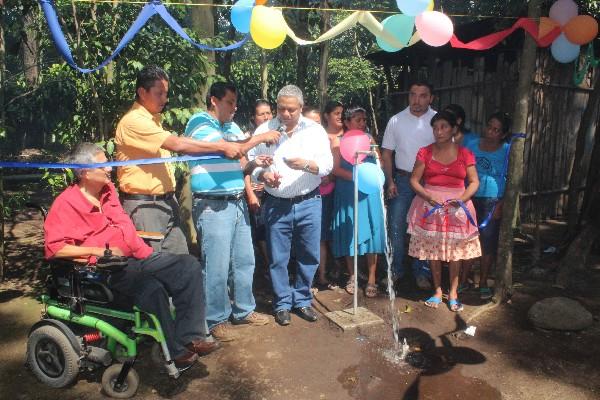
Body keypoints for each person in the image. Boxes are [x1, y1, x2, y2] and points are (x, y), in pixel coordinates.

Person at [44, 143, 219, 371]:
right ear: (85, 172)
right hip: (103, 269)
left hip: (137, 257)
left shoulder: (108, 192)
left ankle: (190, 336)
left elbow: (124, 228)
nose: (110, 169)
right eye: (103, 165)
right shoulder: (66, 203)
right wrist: (98, 251)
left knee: (189, 266)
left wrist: (140, 248)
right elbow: (55, 249)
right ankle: (175, 351)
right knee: (152, 289)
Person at [185, 83, 280, 342]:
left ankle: (244, 309)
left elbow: (243, 162)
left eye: (236, 102)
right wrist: (260, 137)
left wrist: (264, 173)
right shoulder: (199, 122)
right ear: (214, 101)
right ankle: (216, 318)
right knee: (215, 265)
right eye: (230, 102)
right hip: (212, 205)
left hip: (237, 201)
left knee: (244, 259)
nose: (234, 107)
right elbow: (233, 149)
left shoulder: (233, 128)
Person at [115, 65, 245, 255]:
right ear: (142, 92)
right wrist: (222, 146)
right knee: (151, 265)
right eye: (159, 94)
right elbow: (177, 144)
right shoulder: (134, 121)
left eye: (166, 93)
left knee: (182, 264)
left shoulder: (154, 120)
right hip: (145, 207)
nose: (165, 100)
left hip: (167, 201)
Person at [249, 85, 333, 326]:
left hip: (309, 201)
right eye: (281, 109)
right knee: (278, 257)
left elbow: (326, 166)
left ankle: (303, 299)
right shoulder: (265, 130)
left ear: (301, 108)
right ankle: (282, 303)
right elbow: (252, 164)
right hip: (276, 203)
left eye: (291, 110)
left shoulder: (315, 131)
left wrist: (306, 164)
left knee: (309, 254)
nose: (285, 114)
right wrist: (263, 175)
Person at [406, 111, 481, 312]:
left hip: (458, 208)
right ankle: (438, 291)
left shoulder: (465, 154)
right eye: (435, 127)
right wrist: (428, 196)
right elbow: (414, 180)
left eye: (444, 127)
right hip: (431, 206)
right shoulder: (425, 152)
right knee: (434, 251)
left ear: (454, 129)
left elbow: (474, 182)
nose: (438, 131)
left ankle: (454, 293)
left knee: (455, 253)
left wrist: (462, 200)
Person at [381, 81, 437, 289]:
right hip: (402, 180)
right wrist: (390, 181)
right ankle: (395, 269)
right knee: (396, 225)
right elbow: (387, 153)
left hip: (429, 183)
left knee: (424, 228)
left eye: (423, 95)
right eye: (413, 95)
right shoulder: (396, 120)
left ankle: (421, 272)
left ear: (430, 98)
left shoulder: (437, 120)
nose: (417, 100)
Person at [331, 106, 385, 297]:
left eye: (364, 120)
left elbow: (379, 165)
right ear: (346, 122)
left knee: (371, 232)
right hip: (347, 192)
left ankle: (371, 278)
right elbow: (335, 169)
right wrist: (356, 176)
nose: (362, 123)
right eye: (357, 120)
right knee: (349, 232)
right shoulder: (338, 142)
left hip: (368, 192)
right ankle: (352, 275)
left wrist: (374, 156)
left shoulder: (369, 140)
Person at [463, 112, 512, 300]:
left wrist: (501, 203)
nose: (490, 131)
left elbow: (511, 179)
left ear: (503, 134)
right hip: (471, 198)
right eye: (489, 126)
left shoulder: (507, 150)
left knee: (488, 243)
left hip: (492, 201)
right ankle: (463, 280)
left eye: (496, 129)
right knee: (468, 240)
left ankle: (483, 282)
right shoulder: (472, 145)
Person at [315, 101, 345, 289]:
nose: (340, 116)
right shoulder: (318, 136)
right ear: (326, 116)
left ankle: (343, 269)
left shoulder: (351, 135)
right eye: (336, 112)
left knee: (340, 230)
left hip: (343, 191)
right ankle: (322, 273)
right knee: (323, 234)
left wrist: (334, 176)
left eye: (343, 113)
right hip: (323, 191)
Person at [245, 99, 274, 275]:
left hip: (273, 191)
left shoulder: (278, 134)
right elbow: (245, 169)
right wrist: (250, 194)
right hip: (256, 191)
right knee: (261, 230)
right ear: (253, 117)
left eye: (268, 113)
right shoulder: (248, 138)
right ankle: (268, 266)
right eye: (261, 114)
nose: (265, 117)